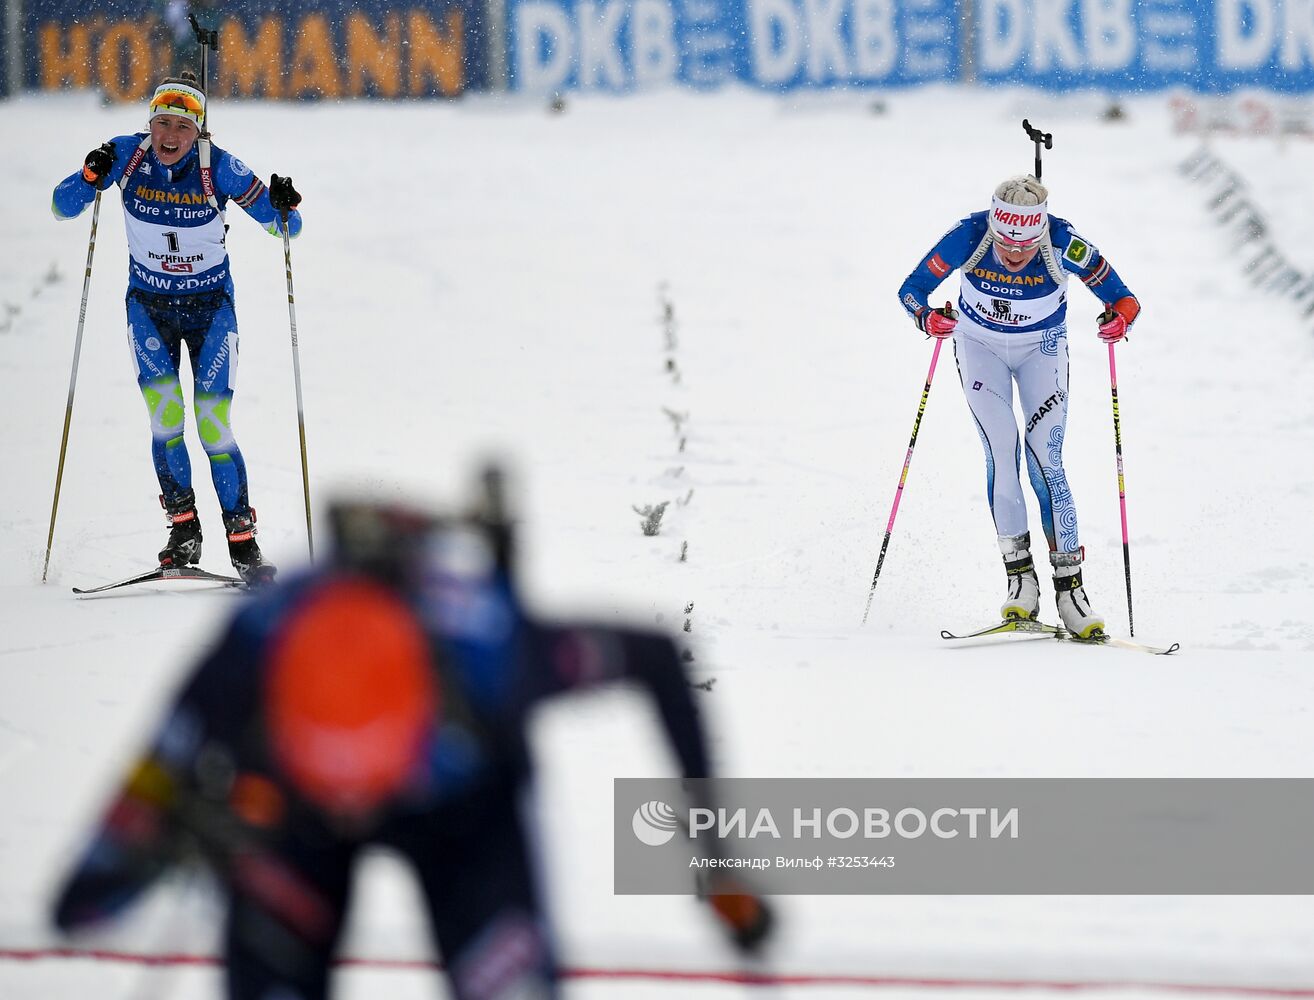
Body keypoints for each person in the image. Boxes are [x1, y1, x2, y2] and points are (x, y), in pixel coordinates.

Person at [51, 468, 771, 1000]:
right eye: (334, 782)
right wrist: (167, 844)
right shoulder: (247, 661)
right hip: (292, 818)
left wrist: (717, 857)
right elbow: (77, 905)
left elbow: (657, 659)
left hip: (462, 811)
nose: (354, 807)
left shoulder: (487, 655)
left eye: (367, 781)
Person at [51, 71, 302, 584]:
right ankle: (183, 529)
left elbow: (287, 230)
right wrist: (89, 173)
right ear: (148, 125)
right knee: (166, 418)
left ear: (199, 132)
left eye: (182, 127)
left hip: (211, 310)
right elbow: (61, 206)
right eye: (161, 123)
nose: (170, 135)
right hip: (148, 308)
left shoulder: (219, 167)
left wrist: (284, 204)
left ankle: (243, 541)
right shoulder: (127, 154)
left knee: (212, 421)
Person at [897, 175, 1141, 639]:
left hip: (1041, 350)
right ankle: (1020, 581)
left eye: (1025, 246)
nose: (1012, 255)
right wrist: (928, 318)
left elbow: (1124, 299)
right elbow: (911, 289)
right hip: (978, 345)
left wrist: (1118, 321)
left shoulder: (1063, 242)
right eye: (1005, 244)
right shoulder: (968, 237)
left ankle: (1071, 591)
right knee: (1002, 453)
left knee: (1045, 459)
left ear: (1040, 232)